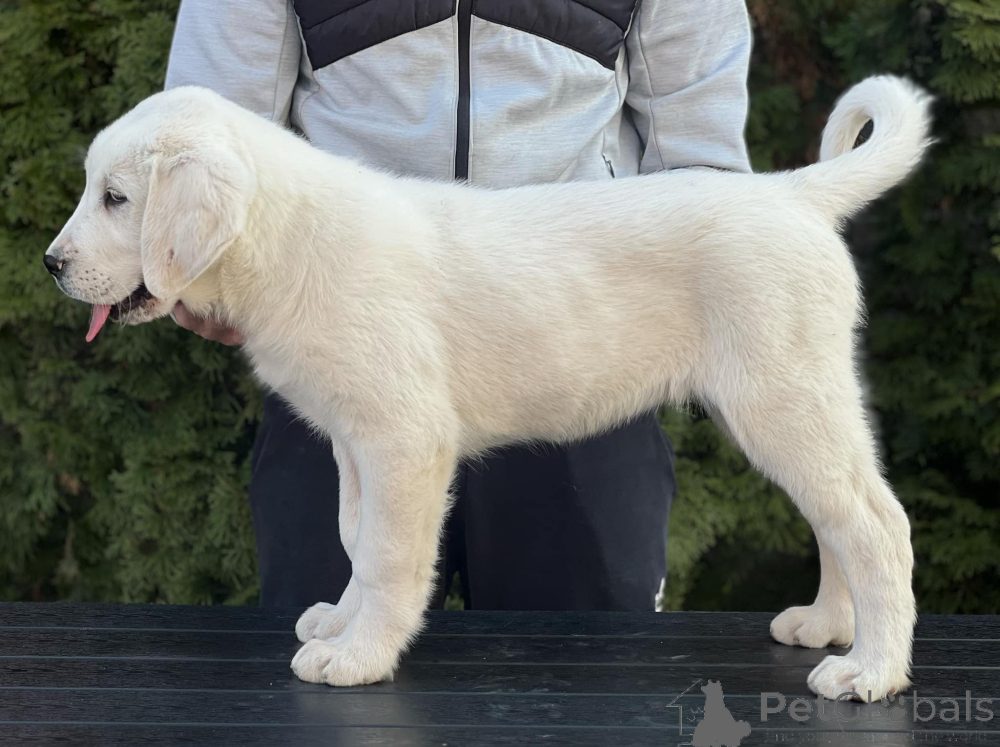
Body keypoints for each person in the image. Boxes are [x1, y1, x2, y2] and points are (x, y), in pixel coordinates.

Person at [164, 0, 752, 611]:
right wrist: (205, 267)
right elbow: (209, 131)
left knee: (586, 666)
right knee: (331, 663)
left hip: (583, 353)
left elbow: (700, 164)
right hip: (340, 360)